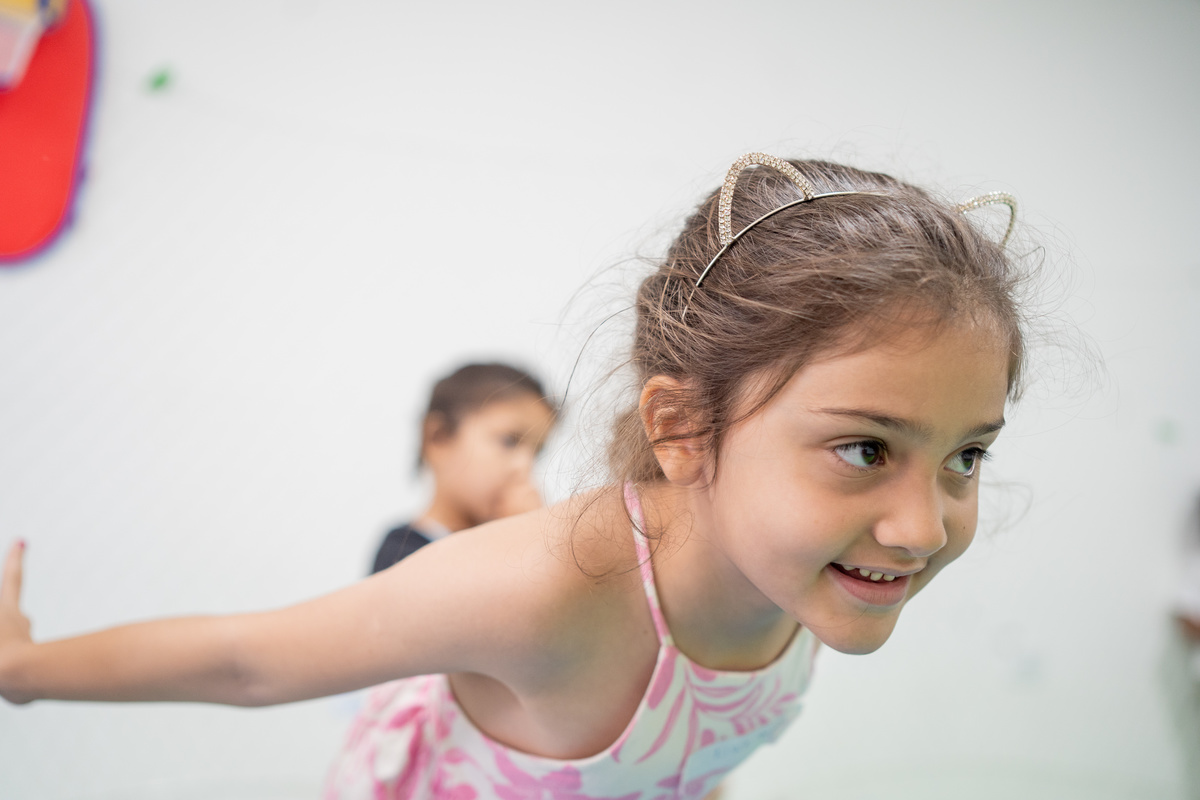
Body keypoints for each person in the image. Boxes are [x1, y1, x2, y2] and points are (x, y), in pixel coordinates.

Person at [0, 153, 1028, 799]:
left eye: (966, 456)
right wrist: (25, 667)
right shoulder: (541, 589)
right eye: (865, 448)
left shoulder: (806, 569)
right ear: (684, 428)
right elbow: (246, 659)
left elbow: (687, 749)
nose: (921, 525)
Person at [371, 362, 558, 574]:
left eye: (537, 452)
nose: (524, 466)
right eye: (509, 441)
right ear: (438, 438)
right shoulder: (401, 554)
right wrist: (521, 540)